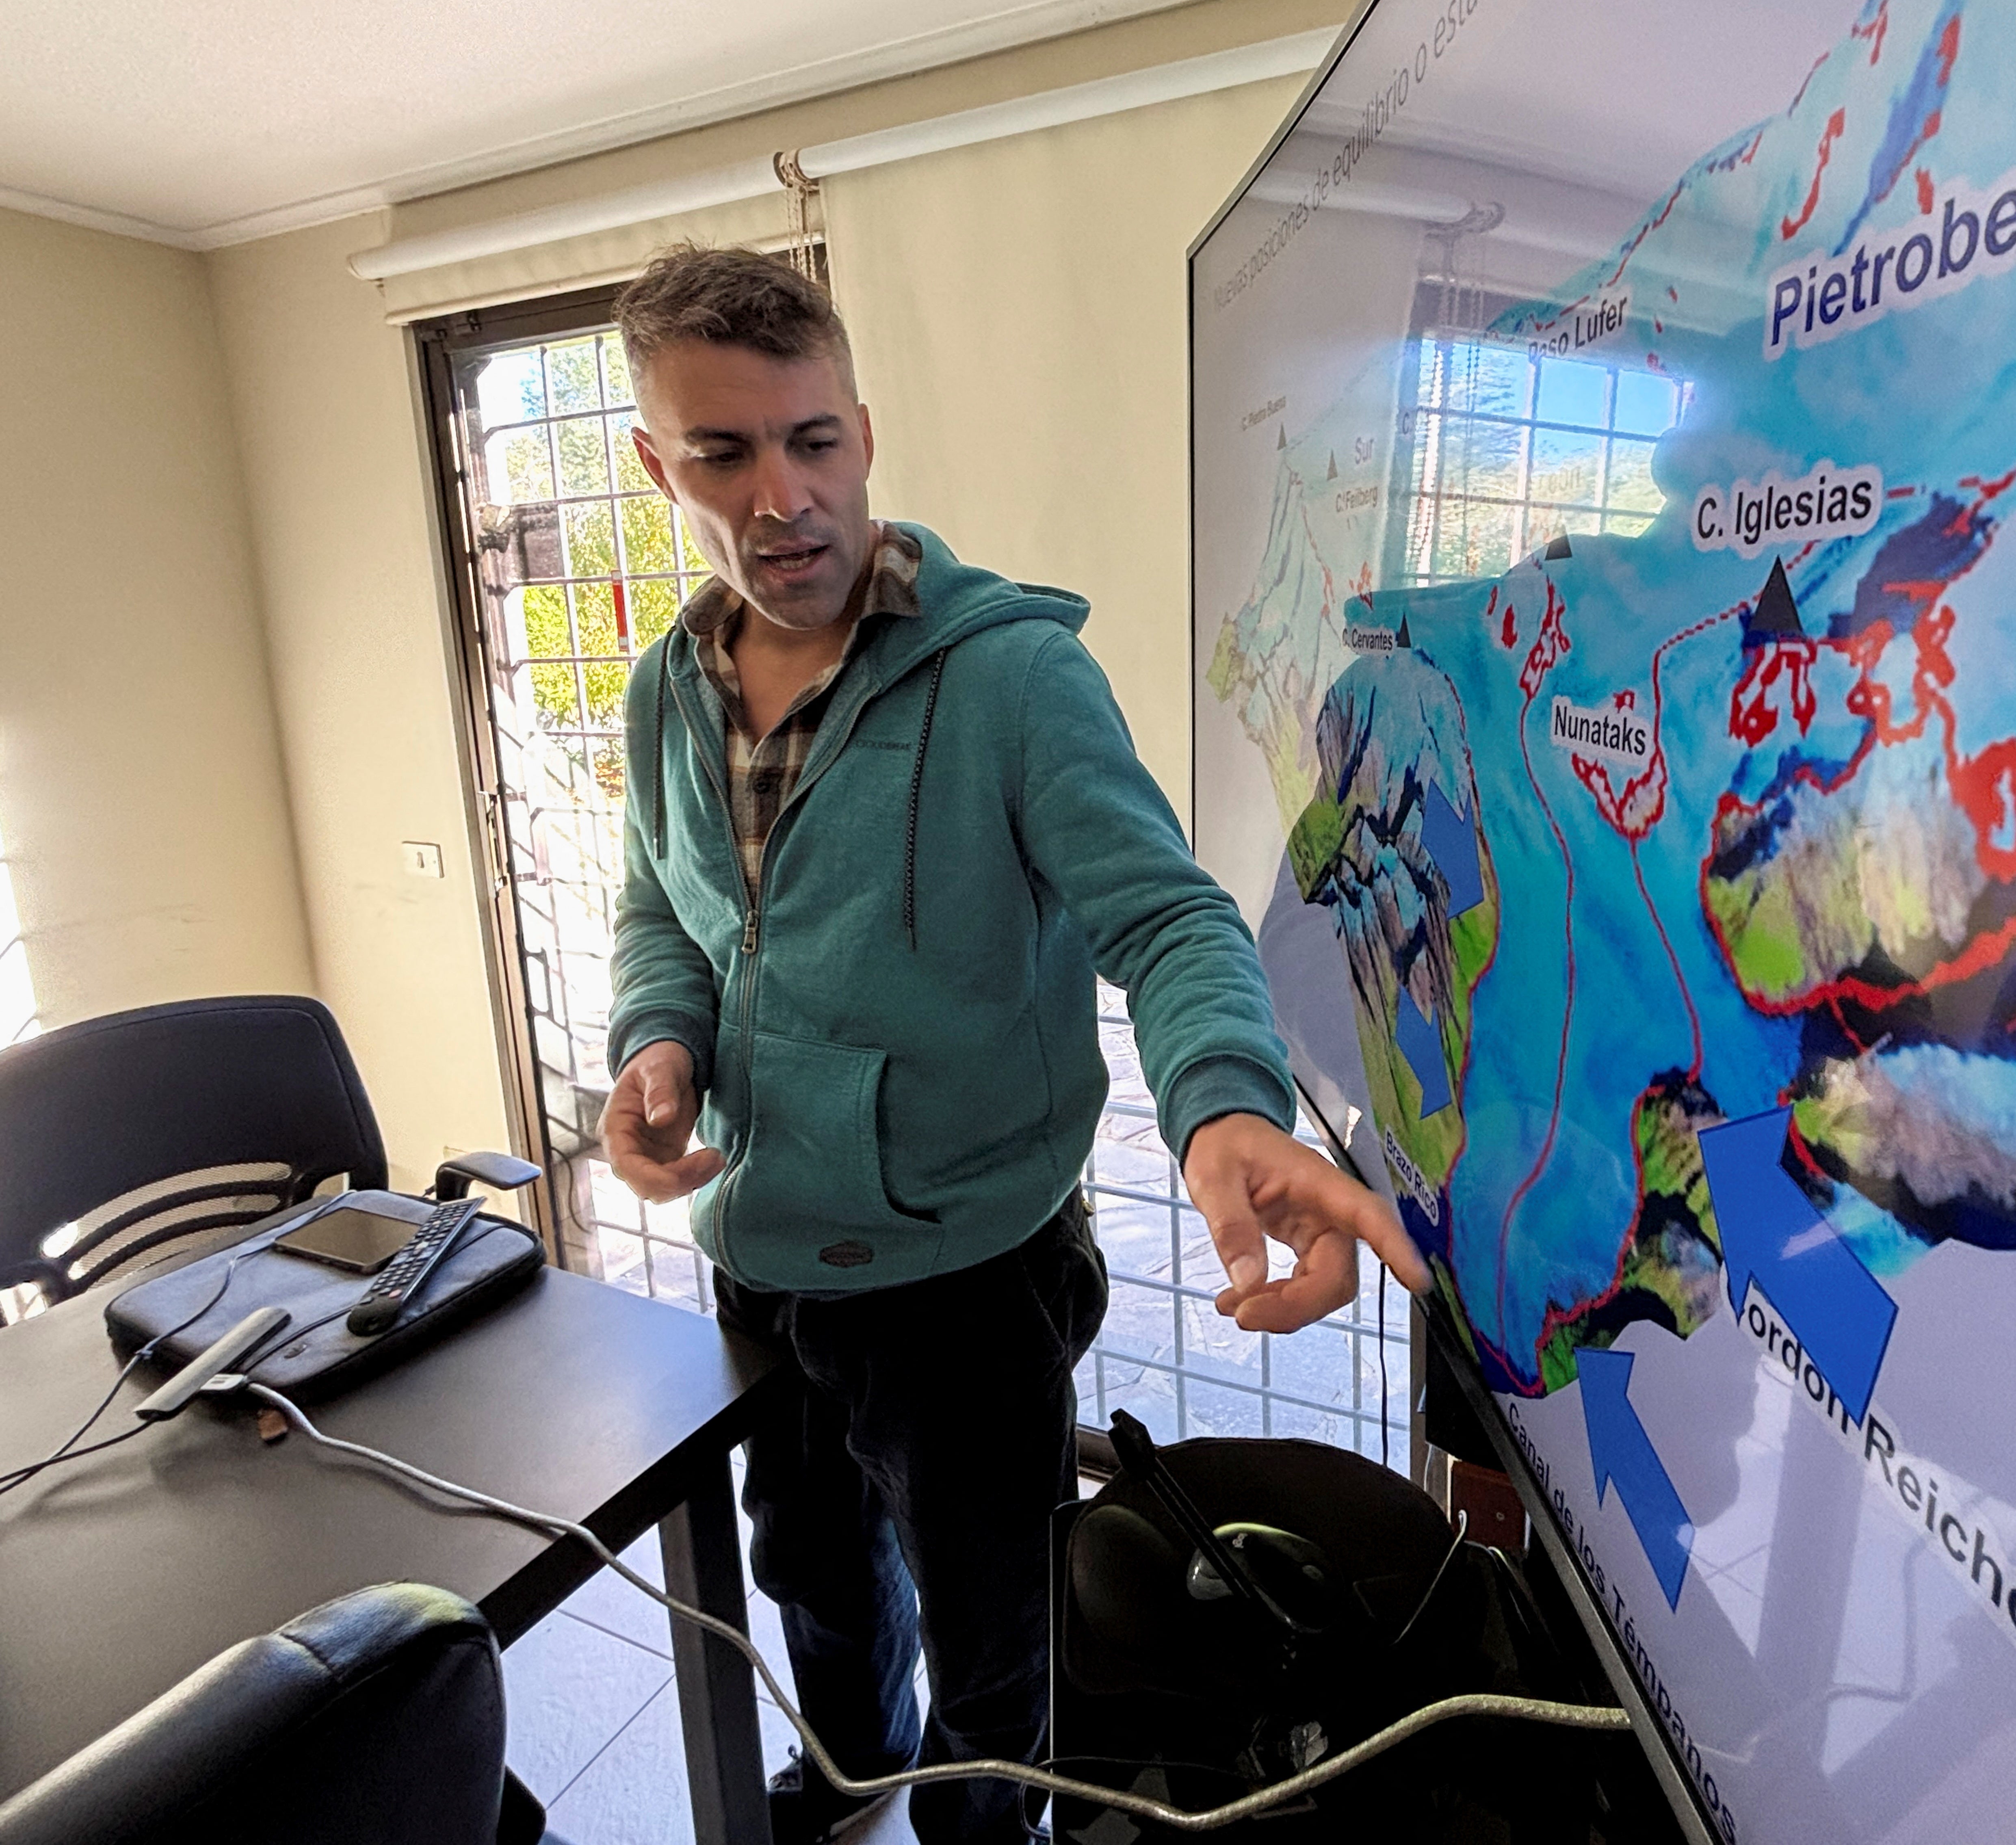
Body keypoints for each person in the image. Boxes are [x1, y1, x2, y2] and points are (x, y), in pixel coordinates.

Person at [597, 246, 1426, 1845]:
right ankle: (850, 1781)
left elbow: (1171, 920)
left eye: (813, 440)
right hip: (764, 1255)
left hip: (966, 1280)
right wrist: (656, 1047)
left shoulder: (1012, 676)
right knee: (817, 1591)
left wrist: (1222, 1109)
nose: (783, 497)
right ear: (656, 466)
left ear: (863, 432)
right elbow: (660, 916)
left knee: (1001, 1649)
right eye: (724, 453)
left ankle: (982, 1829)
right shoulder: (659, 695)